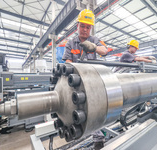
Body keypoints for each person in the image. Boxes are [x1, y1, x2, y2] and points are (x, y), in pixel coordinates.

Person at [62, 9, 107, 149]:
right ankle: (77, 130)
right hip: (76, 84)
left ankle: (98, 138)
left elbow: (104, 50)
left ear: (91, 28)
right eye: (83, 26)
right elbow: (67, 63)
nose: (85, 29)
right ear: (78, 26)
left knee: (95, 110)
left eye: (88, 27)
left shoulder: (94, 40)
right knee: (77, 109)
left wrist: (94, 47)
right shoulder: (71, 43)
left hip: (93, 83)